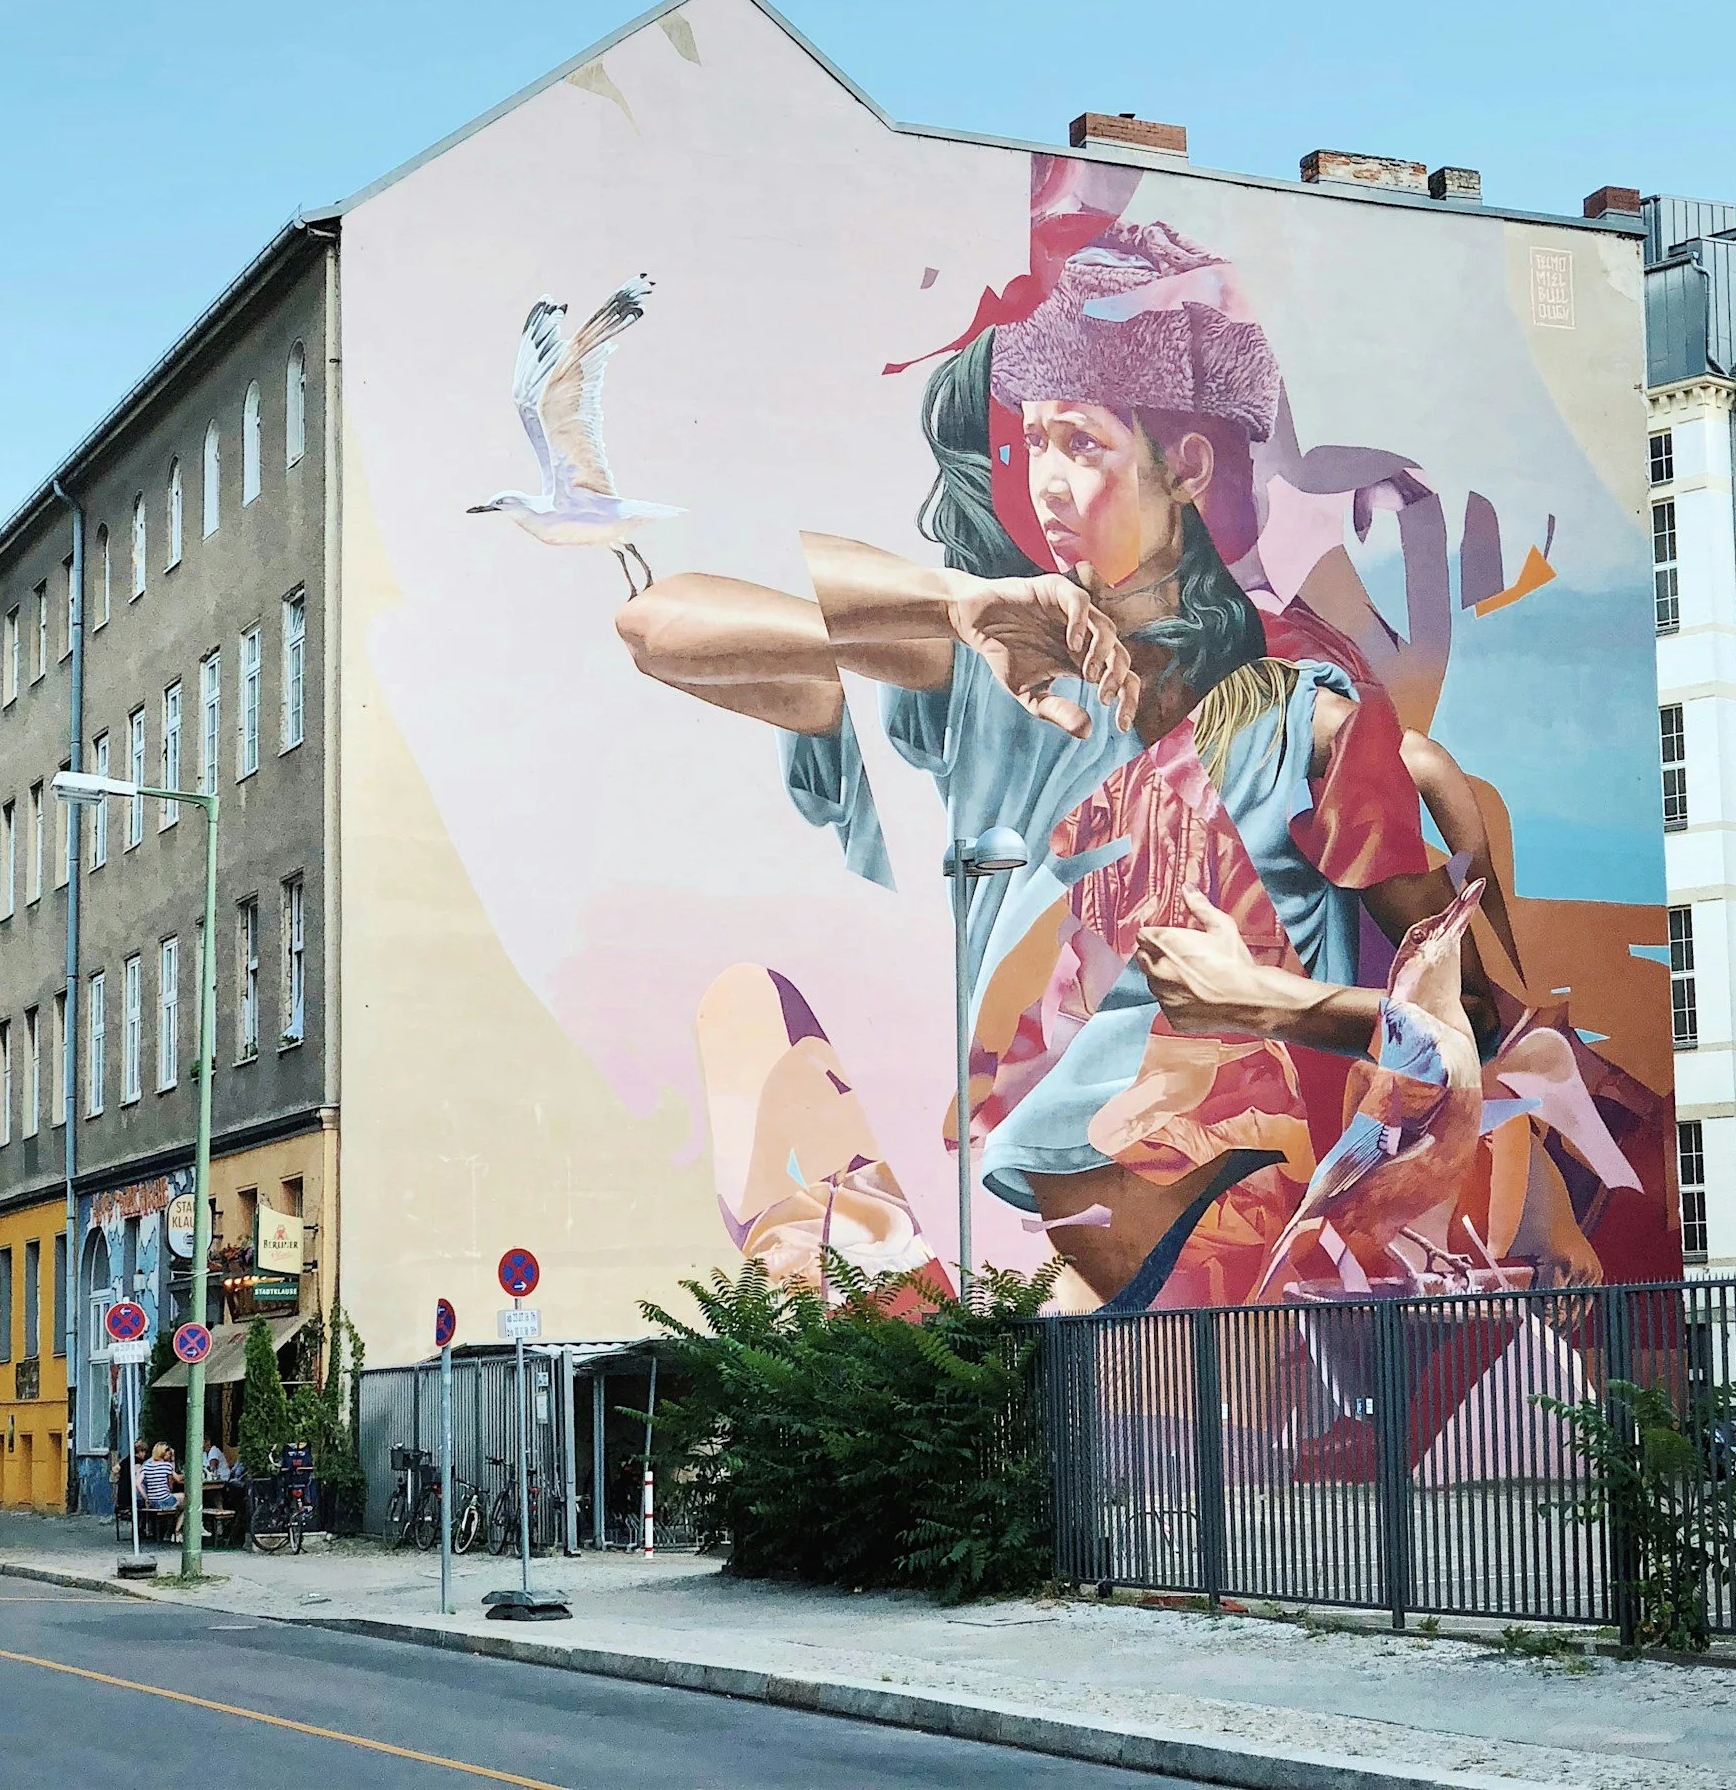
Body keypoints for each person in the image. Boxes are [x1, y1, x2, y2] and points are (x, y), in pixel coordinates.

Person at [619, 218, 1524, 1306]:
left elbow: (1461, 1028)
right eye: (1034, 440)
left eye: (1081, 444)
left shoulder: (1306, 715)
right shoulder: (1002, 648)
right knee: (745, 1010)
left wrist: (1265, 998)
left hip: (1222, 1260)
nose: (1047, 480)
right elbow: (655, 623)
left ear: (1184, 466)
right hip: (1033, 1234)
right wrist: (958, 604)